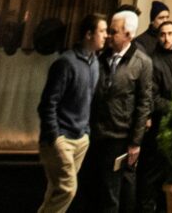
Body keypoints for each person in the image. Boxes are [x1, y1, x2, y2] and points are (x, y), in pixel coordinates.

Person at [35, 12, 105, 213]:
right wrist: (55, 137)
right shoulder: (66, 63)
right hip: (62, 138)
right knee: (67, 190)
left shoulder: (95, 64)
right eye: (102, 31)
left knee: (57, 191)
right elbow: (48, 103)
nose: (106, 35)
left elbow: (88, 100)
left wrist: (86, 132)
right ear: (89, 34)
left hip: (80, 137)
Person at [96, 9, 162, 213]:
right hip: (98, 131)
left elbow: (144, 102)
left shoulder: (142, 62)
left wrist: (136, 141)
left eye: (113, 31)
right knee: (101, 187)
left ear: (128, 35)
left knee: (115, 190)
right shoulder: (101, 57)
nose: (108, 35)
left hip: (121, 134)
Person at [139, 10, 172, 213]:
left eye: (170, 33)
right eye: (163, 34)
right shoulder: (152, 61)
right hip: (161, 125)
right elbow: (152, 96)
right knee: (153, 172)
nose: (166, 38)